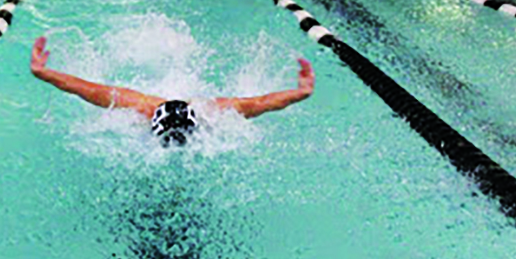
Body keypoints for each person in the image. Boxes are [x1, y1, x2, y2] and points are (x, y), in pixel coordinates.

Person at [29, 36, 315, 147]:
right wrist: (298, 93)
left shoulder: (205, 112)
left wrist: (46, 74)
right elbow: (261, 103)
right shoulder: (143, 107)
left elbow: (87, 89)